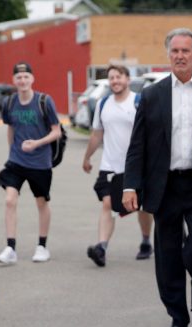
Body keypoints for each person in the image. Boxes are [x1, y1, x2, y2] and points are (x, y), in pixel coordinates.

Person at [123, 28, 192, 327]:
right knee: (167, 255)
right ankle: (177, 319)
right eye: (175, 51)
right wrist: (130, 186)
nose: (180, 56)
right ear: (169, 55)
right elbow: (138, 144)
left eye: (186, 51)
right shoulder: (152, 94)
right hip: (163, 186)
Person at [83, 64, 153, 266]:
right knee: (107, 204)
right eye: (112, 78)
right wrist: (87, 157)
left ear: (127, 79)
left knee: (141, 207)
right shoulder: (103, 104)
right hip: (110, 165)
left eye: (119, 77)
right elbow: (97, 134)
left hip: (136, 166)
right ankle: (101, 248)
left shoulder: (138, 102)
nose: (115, 81)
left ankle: (146, 241)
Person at [0, 62, 61, 265]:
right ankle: (10, 248)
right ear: (14, 80)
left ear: (32, 79)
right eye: (18, 77)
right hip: (16, 161)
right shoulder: (9, 103)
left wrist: (36, 144)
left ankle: (42, 246)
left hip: (40, 163)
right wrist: (11, 152)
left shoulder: (44, 101)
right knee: (9, 200)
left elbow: (56, 131)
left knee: (41, 203)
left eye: (26, 77)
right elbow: (11, 129)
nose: (22, 81)